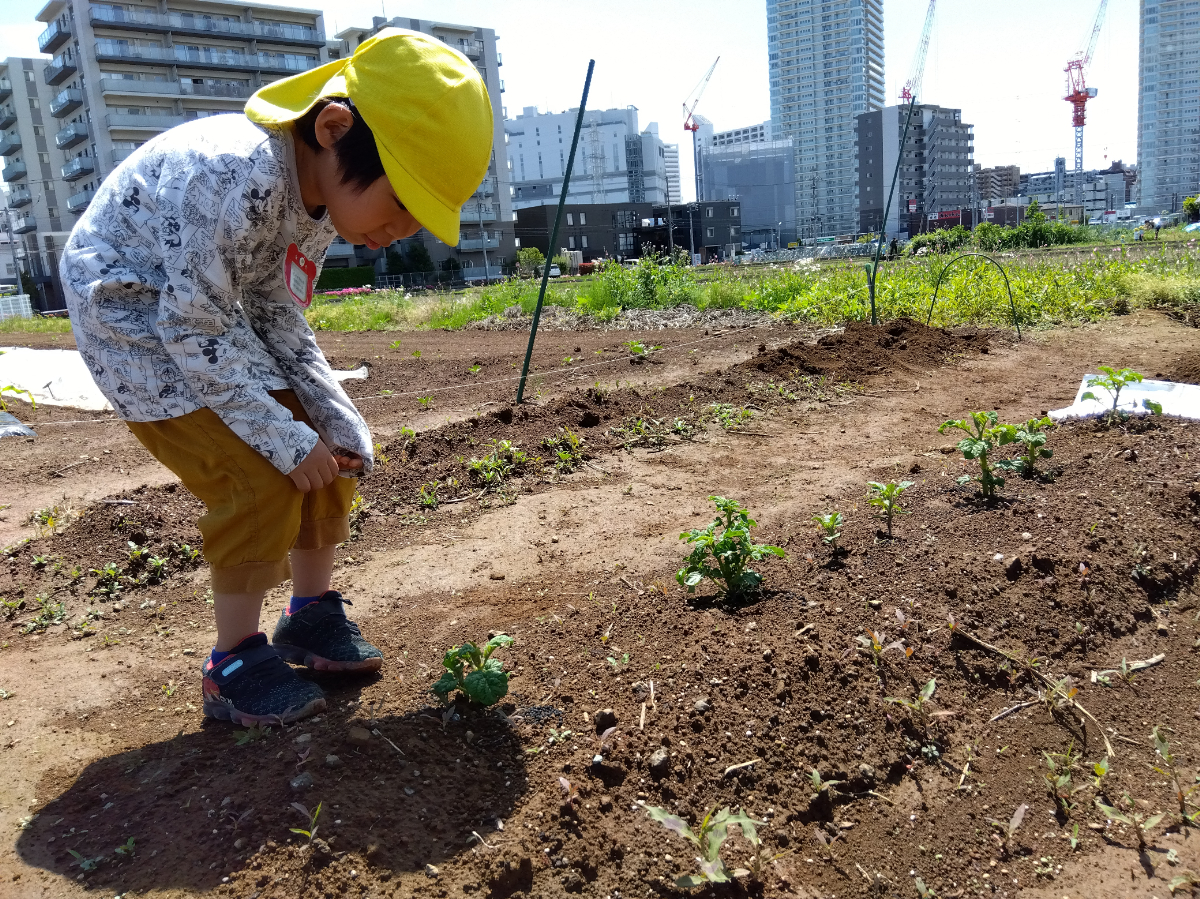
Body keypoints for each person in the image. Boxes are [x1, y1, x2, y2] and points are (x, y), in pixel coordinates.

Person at [60, 30, 493, 726]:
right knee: (260, 473)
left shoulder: (319, 202)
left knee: (327, 445)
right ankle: (231, 662)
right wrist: (284, 440)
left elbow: (275, 311)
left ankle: (310, 615)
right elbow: (189, 328)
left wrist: (331, 412)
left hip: (197, 311)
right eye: (403, 199)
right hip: (130, 315)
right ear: (333, 128)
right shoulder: (240, 176)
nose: (405, 228)